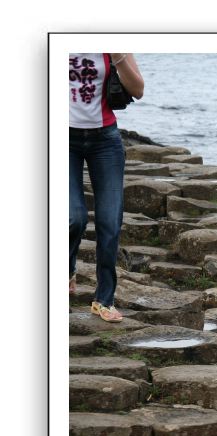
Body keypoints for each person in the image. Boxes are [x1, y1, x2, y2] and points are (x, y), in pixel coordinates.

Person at [69, 52, 145, 323]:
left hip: (106, 139)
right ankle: (66, 268)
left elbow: (138, 90)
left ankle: (104, 299)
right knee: (73, 216)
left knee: (110, 222)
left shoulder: (111, 44)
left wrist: (119, 56)